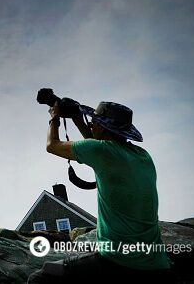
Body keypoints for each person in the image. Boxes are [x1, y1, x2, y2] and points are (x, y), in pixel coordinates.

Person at [28, 101, 175, 283]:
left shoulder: (100, 151)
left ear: (104, 127)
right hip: (157, 264)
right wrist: (76, 118)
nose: (91, 124)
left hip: (119, 262)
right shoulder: (142, 156)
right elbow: (102, 146)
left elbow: (52, 145)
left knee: (41, 277)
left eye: (95, 122)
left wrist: (54, 117)